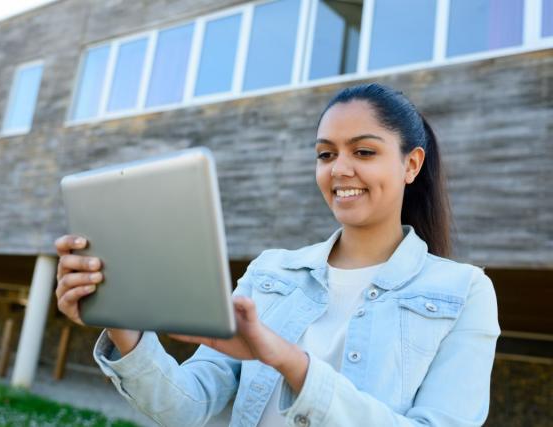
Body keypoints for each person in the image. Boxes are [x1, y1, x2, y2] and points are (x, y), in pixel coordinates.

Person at [54, 83, 500, 427]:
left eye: (363, 151)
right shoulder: (271, 272)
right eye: (326, 154)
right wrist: (122, 320)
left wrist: (289, 361)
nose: (339, 169)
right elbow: (184, 407)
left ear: (411, 164)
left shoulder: (464, 292)